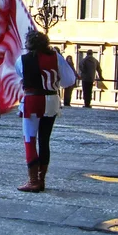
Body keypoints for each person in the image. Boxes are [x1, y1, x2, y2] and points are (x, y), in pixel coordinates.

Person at [15, 30, 75, 193]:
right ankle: (41, 179)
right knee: (44, 140)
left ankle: (33, 180)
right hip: (52, 101)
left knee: (30, 139)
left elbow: (20, 73)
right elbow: (70, 80)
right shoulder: (56, 57)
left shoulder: (23, 60)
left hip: (33, 101)